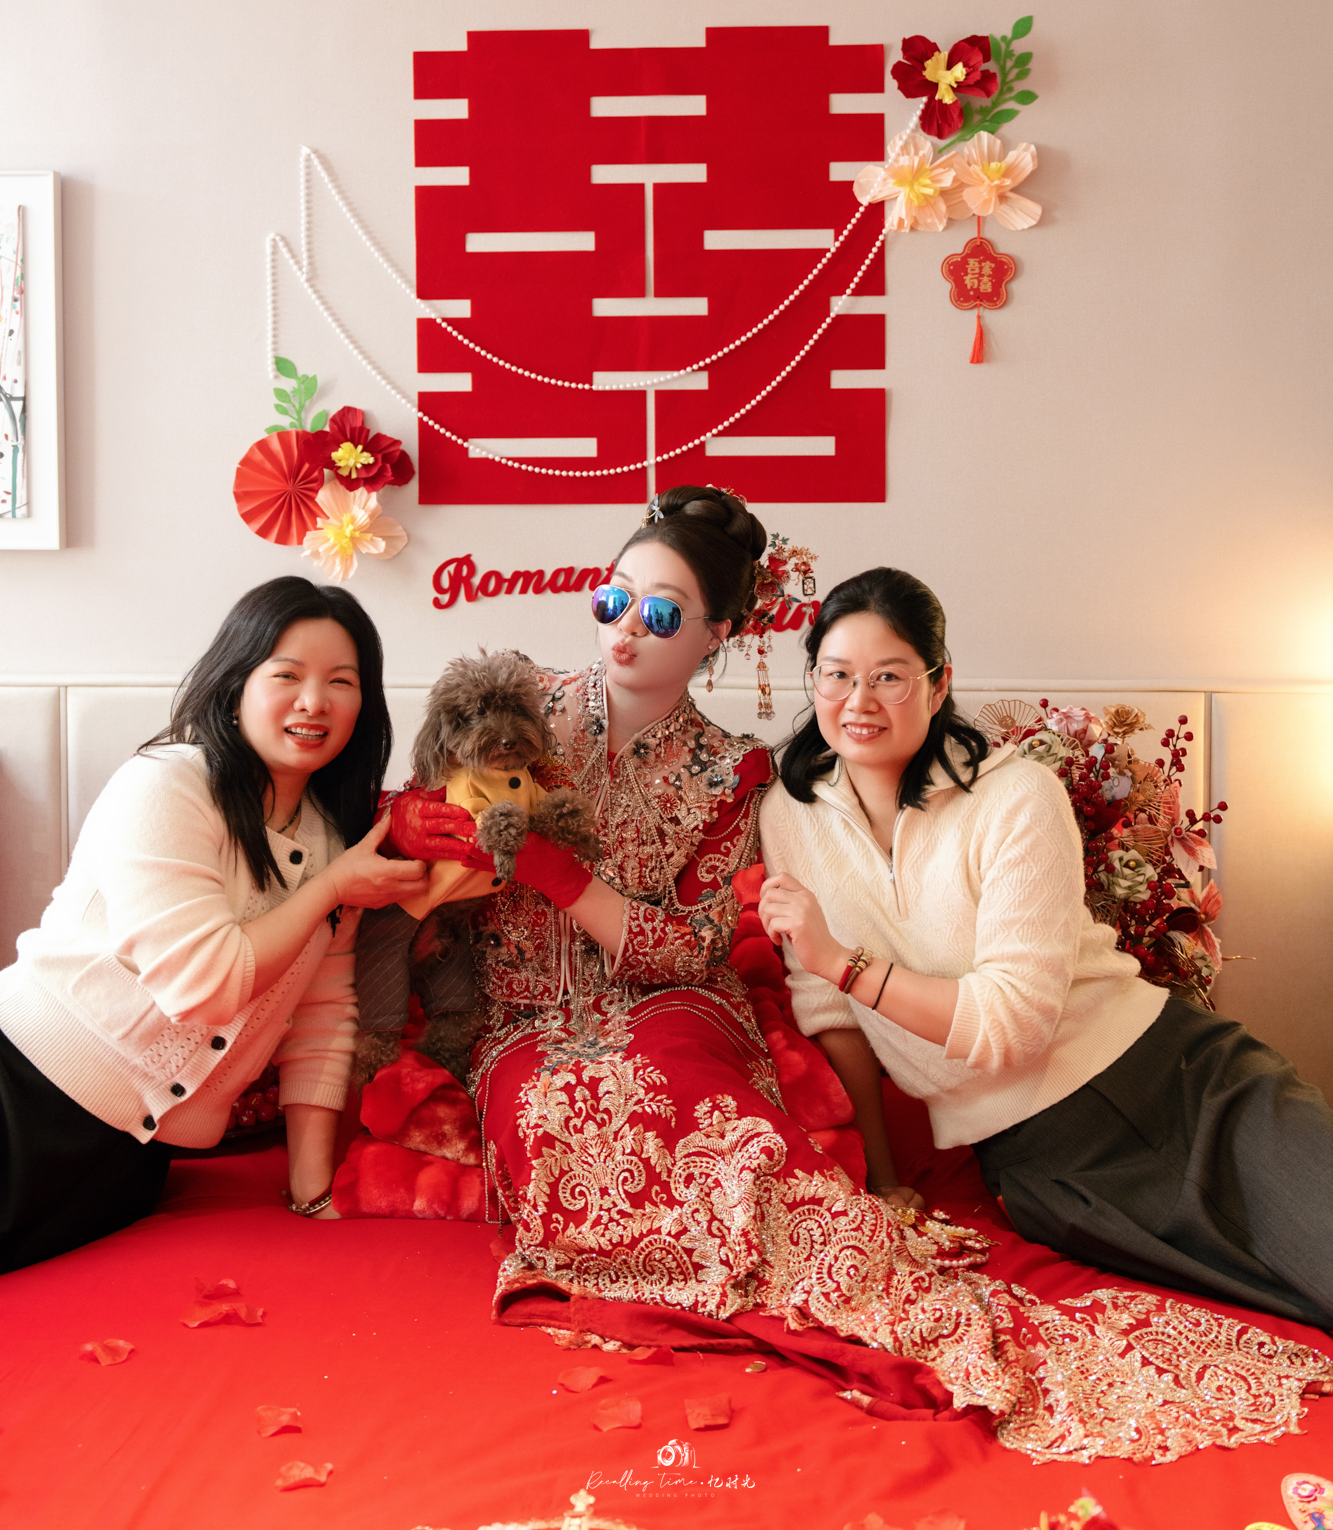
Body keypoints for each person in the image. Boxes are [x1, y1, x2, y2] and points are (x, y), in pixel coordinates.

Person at [387, 500, 1330, 1464]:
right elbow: (825, 1005)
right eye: (612, 599)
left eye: (662, 612)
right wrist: (405, 833)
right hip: (1033, 1165)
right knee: (1286, 1293)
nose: (627, 626)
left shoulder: (904, 787)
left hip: (1159, 1075)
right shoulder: (549, 720)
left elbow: (719, 958)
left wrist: (570, 880)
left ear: (718, 634)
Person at [759, 564, 1333, 1335]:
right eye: (836, 674)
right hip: (1044, 1167)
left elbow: (1011, 1025)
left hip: (1177, 1083)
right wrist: (881, 1181)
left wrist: (842, 962)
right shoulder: (789, 814)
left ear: (938, 683)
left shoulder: (1016, 796)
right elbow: (830, 1012)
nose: (857, 702)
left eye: (887, 676)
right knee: (1290, 1317)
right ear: (812, 679)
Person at [0, 576, 427, 1271]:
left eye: (341, 682)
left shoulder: (331, 842)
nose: (314, 701)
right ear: (235, 686)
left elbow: (320, 1019)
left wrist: (312, 1195)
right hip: (20, 1090)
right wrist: (331, 889)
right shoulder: (166, 784)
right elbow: (203, 984)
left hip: (127, 1169)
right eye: (286, 675)